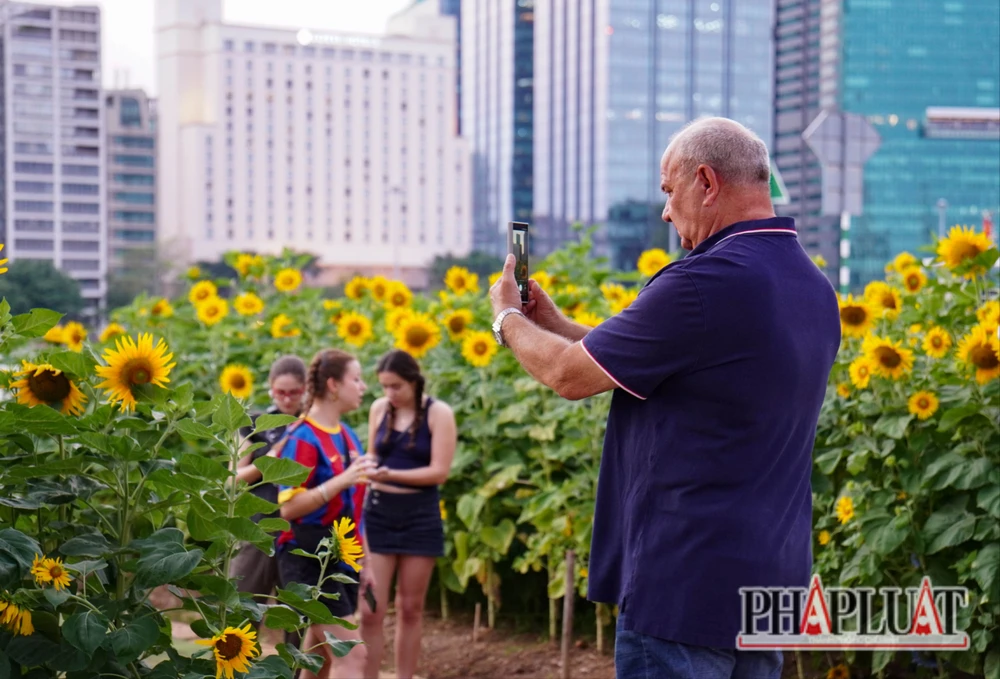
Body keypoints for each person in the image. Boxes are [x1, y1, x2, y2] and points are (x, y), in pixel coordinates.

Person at [488, 117, 841, 679]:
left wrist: (506, 318)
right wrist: (552, 321)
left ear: (705, 181)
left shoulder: (703, 281)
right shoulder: (813, 287)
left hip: (685, 584)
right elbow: (675, 357)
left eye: (668, 190)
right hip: (770, 581)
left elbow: (567, 376)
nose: (665, 211)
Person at [276, 349, 377, 679]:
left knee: (319, 658)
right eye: (356, 379)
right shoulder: (303, 437)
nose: (363, 387)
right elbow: (288, 507)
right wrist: (340, 481)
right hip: (308, 557)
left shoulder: (347, 435)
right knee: (352, 655)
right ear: (333, 385)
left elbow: (355, 509)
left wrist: (367, 561)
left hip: (341, 557)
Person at [359, 350, 456, 679]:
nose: (390, 394)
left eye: (396, 386)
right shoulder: (379, 409)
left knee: (410, 608)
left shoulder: (438, 413)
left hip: (420, 515)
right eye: (384, 386)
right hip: (379, 514)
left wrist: (390, 474)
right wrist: (369, 469)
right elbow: (372, 455)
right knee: (371, 610)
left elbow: (439, 472)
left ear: (414, 381)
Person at [231, 355, 307, 614]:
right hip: (258, 530)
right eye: (280, 392)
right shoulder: (254, 425)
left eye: (293, 392)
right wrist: (271, 459)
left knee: (298, 617)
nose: (286, 399)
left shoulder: (313, 426)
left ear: (305, 389)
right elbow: (234, 479)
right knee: (242, 610)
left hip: (300, 532)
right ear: (271, 388)